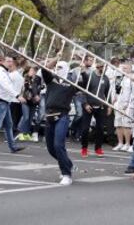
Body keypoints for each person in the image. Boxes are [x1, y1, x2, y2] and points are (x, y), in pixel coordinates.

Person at [42, 57, 88, 185]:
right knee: (51, 149)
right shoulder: (51, 80)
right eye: (57, 67)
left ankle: (66, 173)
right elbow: (45, 69)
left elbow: (84, 85)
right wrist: (56, 58)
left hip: (62, 116)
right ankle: (68, 164)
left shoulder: (70, 84)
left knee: (58, 145)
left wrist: (83, 70)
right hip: (49, 116)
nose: (58, 69)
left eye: (61, 67)